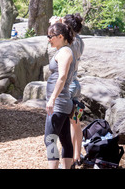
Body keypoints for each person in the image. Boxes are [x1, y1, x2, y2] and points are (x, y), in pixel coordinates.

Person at [44, 22, 76, 169]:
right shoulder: (64, 50)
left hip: (59, 103)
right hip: (62, 102)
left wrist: (52, 99)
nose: (49, 39)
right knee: (65, 139)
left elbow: (62, 76)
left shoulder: (64, 52)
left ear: (60, 36)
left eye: (50, 36)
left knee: (49, 139)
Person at [62, 13, 85, 165]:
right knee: (76, 122)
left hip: (68, 87)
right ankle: (77, 156)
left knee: (65, 126)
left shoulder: (69, 42)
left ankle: (68, 161)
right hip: (76, 85)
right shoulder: (80, 41)